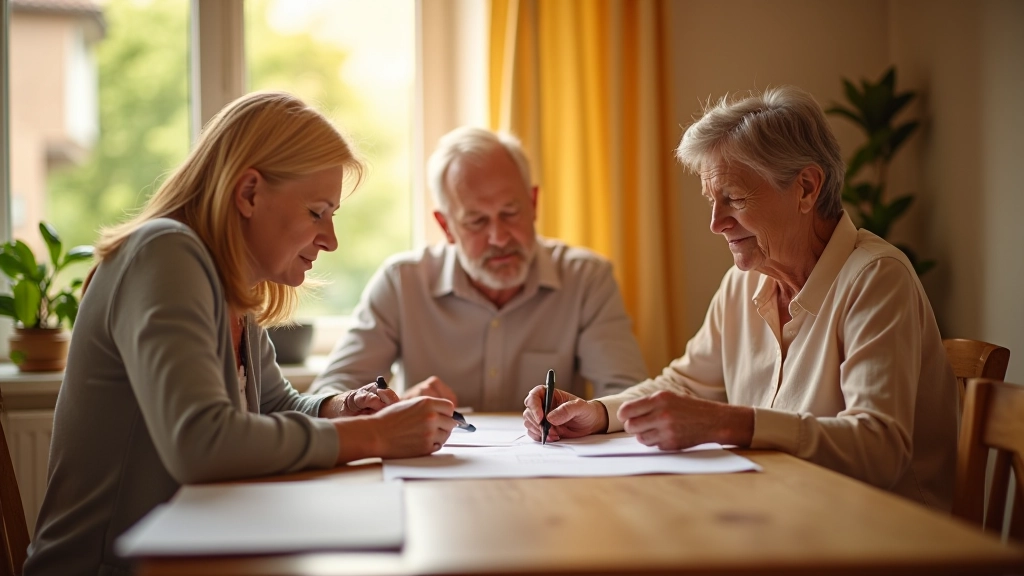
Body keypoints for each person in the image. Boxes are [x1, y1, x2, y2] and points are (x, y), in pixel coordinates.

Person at [24, 91, 456, 575]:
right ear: (249, 193)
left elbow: (276, 407)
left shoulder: (227, 286)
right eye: (317, 212)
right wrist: (376, 435)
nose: (331, 239)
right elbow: (202, 444)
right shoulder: (165, 254)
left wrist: (342, 407)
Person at [524, 86, 958, 511]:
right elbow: (683, 384)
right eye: (712, 200)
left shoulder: (876, 278)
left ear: (806, 188)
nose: (716, 223)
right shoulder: (743, 282)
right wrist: (597, 413)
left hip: (885, 538)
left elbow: (877, 448)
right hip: (785, 515)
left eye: (733, 198)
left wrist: (728, 422)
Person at [309, 127, 648, 412]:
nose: (499, 237)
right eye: (477, 221)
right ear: (446, 226)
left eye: (510, 213)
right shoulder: (402, 283)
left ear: (533, 204)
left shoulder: (586, 279)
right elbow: (328, 394)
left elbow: (627, 396)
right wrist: (395, 405)